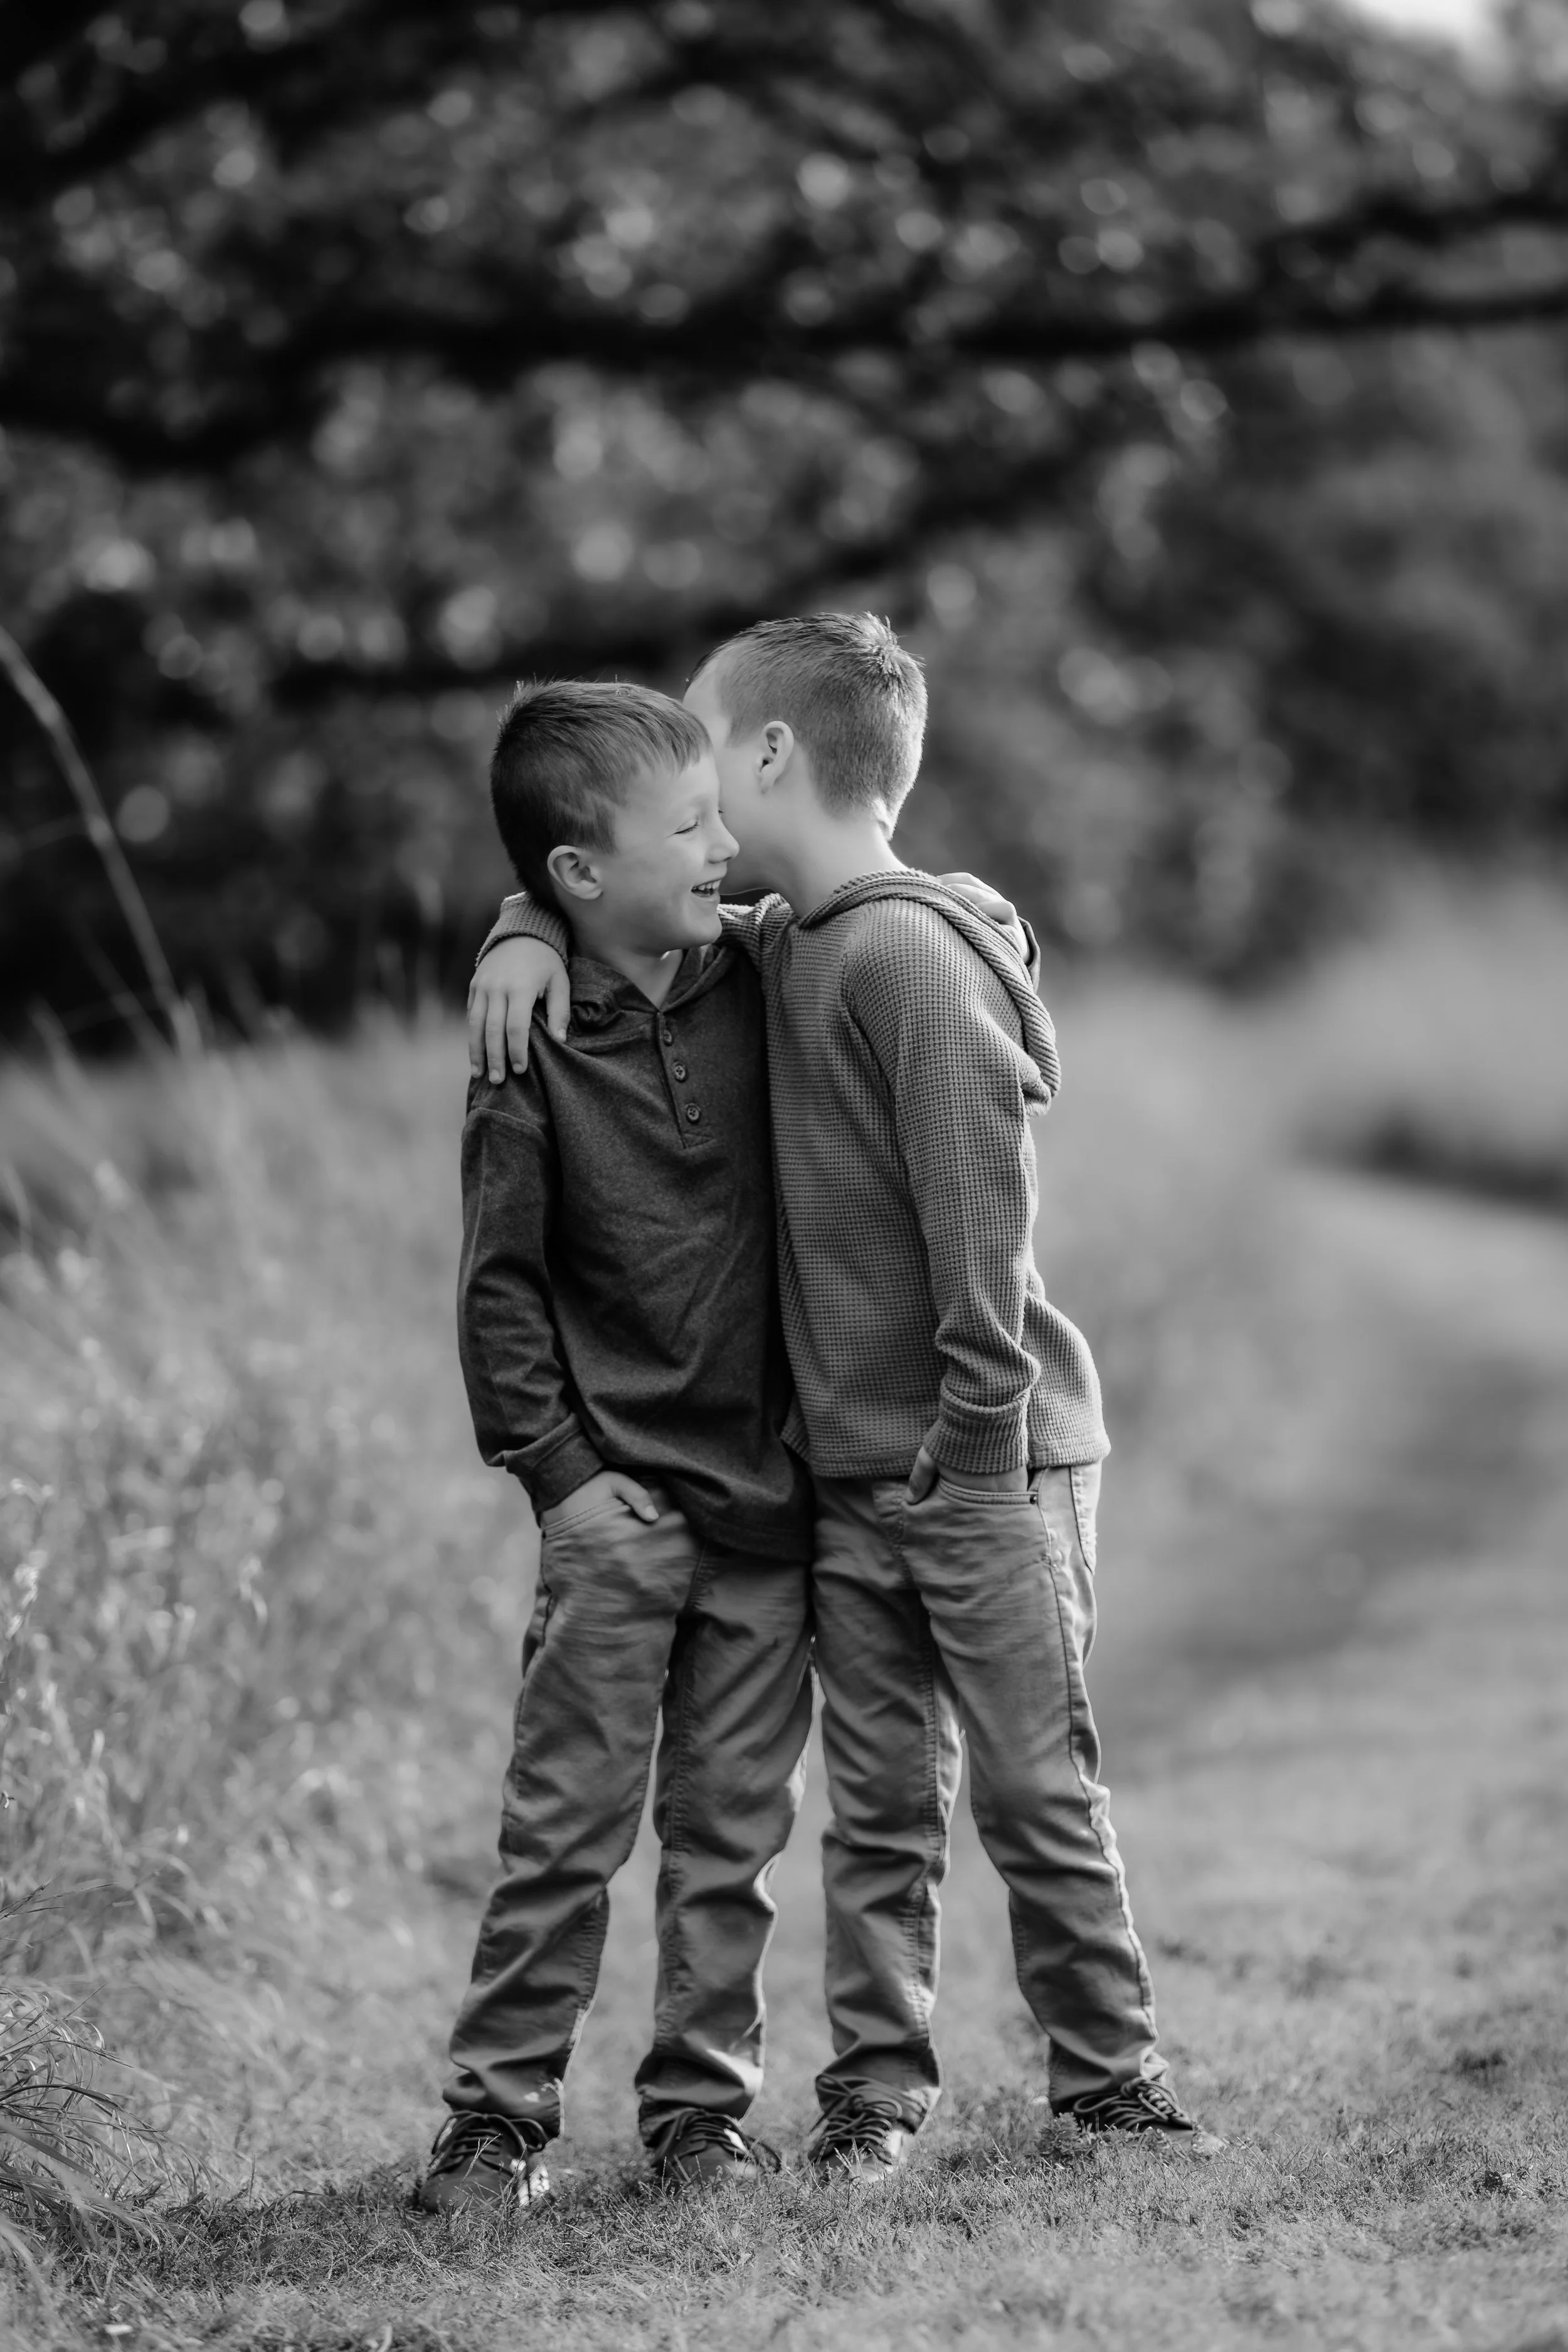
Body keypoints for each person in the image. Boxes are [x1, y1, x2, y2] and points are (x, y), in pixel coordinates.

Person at [470, 613, 1223, 2176]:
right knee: (879, 1804)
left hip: (975, 1460)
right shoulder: (773, 944)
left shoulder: (880, 950)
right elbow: (581, 871)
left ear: (765, 760)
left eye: (699, 765)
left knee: (1028, 1783)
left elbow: (981, 1222)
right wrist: (518, 929)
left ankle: (1108, 2083)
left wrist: (964, 1450)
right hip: (850, 1477)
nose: (689, 799)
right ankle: (874, 2092)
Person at [416, 680, 816, 2218]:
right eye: (693, 825)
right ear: (586, 876)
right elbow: (497, 1294)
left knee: (728, 1837)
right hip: (616, 1511)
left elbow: (912, 898)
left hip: (766, 1507)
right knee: (562, 1831)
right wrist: (564, 1484)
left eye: (724, 812)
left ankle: (699, 2115)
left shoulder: (762, 971)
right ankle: (495, 2117)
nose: (727, 843)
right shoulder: (525, 1049)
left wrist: (519, 907)